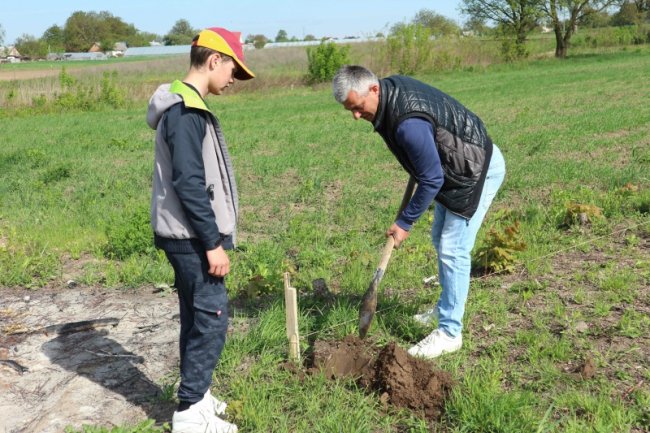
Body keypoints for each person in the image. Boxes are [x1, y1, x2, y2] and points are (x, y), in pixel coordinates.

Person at [332, 65, 506, 359]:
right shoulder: (389, 93)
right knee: (440, 241)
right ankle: (445, 306)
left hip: (475, 171)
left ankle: (450, 332)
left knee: (453, 250)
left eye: (358, 108)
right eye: (350, 110)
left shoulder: (405, 124)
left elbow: (432, 178)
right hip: (454, 167)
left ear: (373, 90)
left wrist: (404, 222)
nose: (356, 116)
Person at [147, 27, 254, 433]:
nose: (232, 80)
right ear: (214, 60)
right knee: (211, 317)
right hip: (192, 238)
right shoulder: (186, 112)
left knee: (195, 316)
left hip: (186, 234)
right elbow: (189, 183)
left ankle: (199, 393)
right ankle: (191, 414)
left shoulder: (184, 105)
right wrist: (213, 243)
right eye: (233, 70)